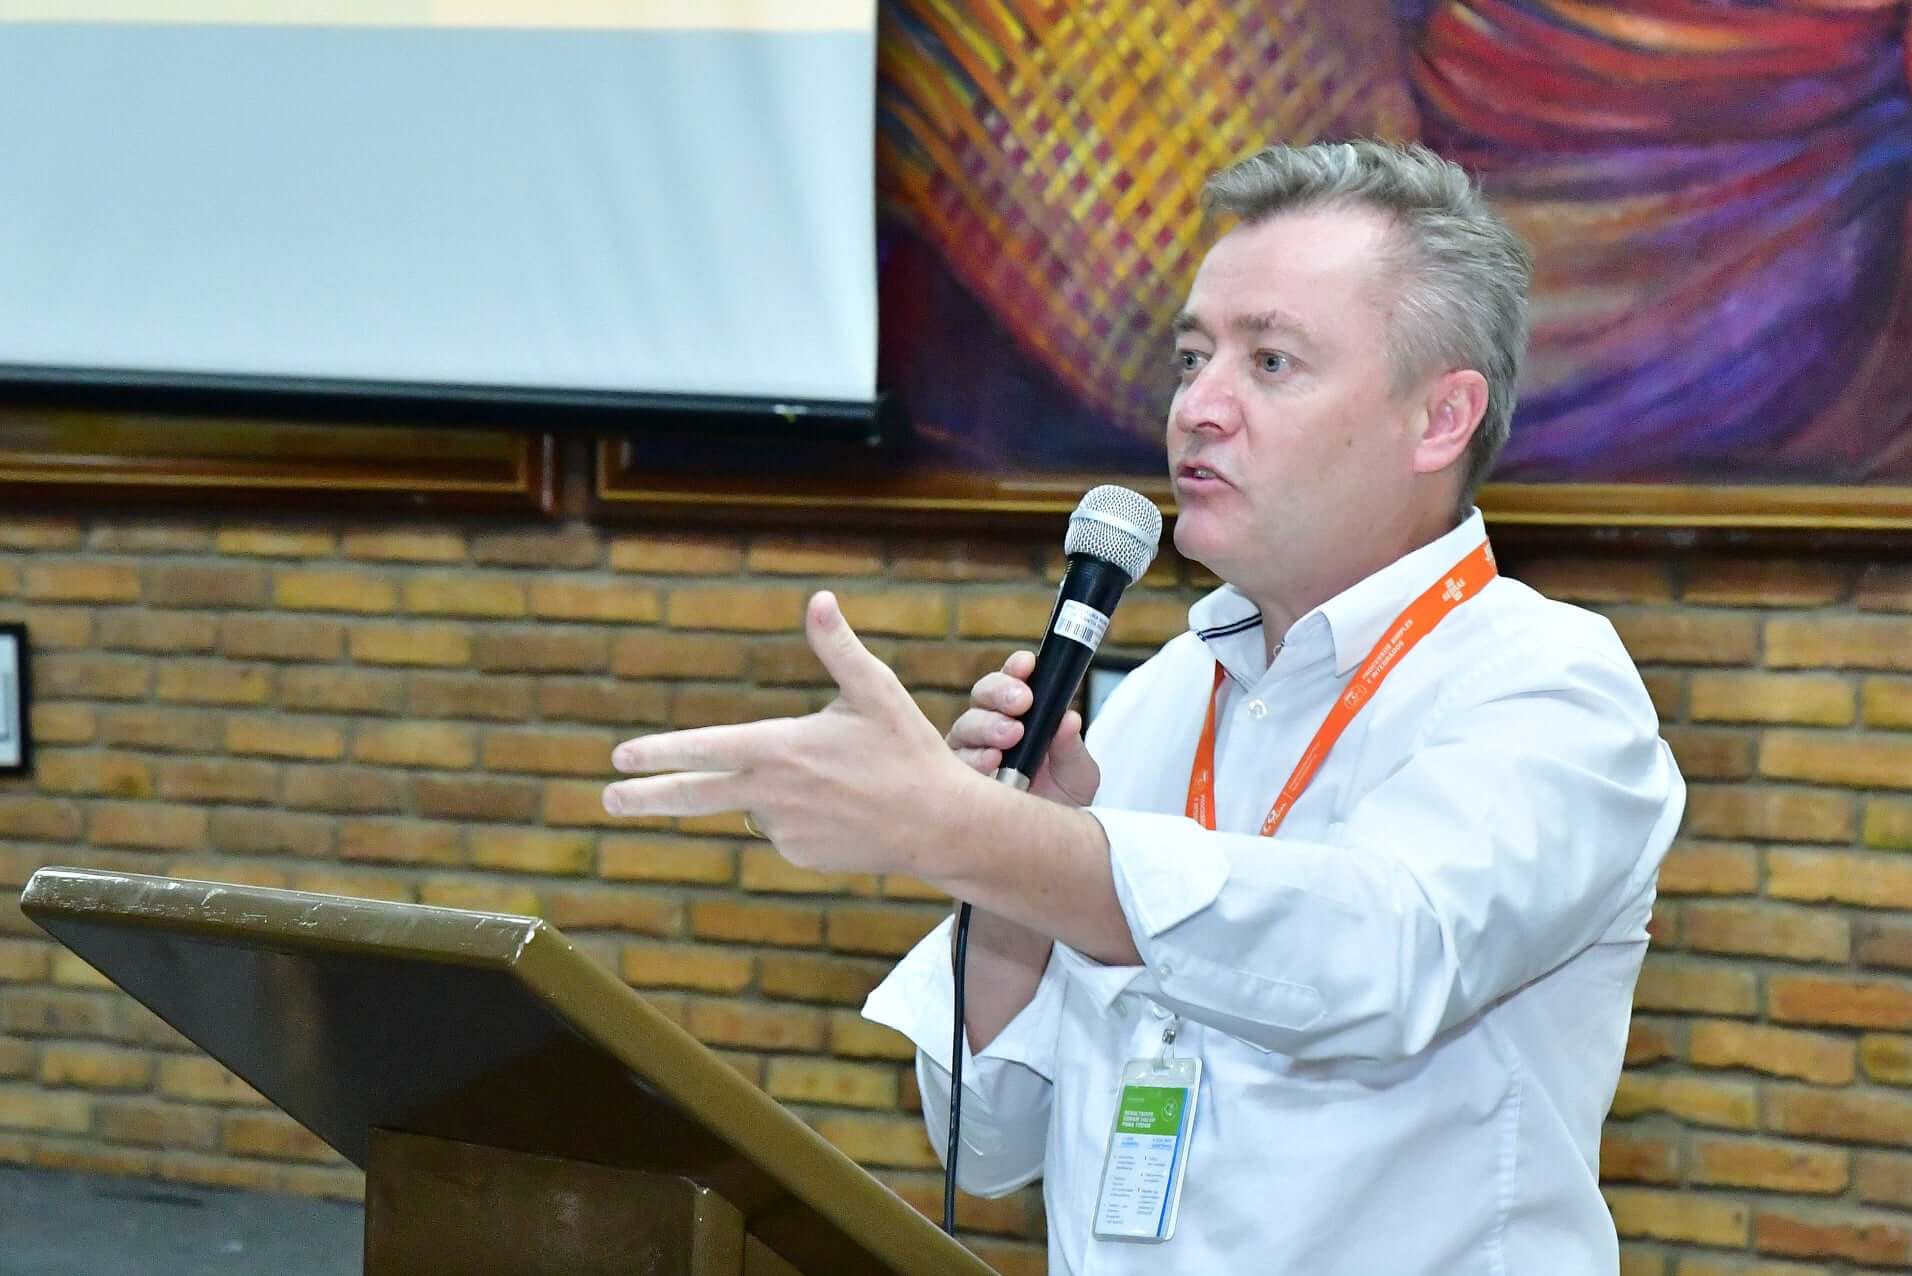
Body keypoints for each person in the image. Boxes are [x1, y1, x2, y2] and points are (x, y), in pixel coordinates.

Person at [604, 140, 1684, 1274]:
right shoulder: (1165, 690)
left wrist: (972, 833)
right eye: (1191, 357)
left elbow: (1377, 954)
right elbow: (988, 1141)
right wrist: (1017, 875)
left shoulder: (1550, 686)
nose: (1197, 409)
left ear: (1439, 418)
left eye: (1270, 361)